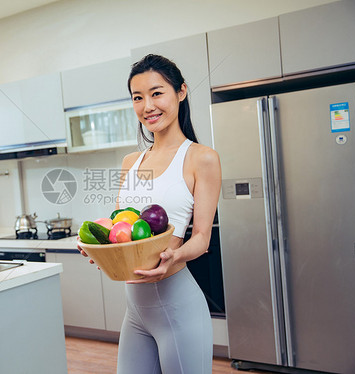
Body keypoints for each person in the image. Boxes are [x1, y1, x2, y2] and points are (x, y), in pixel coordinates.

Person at [79, 54, 221, 373]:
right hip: (135, 312)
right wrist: (101, 248)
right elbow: (122, 228)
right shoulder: (131, 162)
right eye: (138, 98)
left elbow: (201, 237)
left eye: (157, 93)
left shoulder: (202, 159)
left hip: (178, 307)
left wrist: (175, 256)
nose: (147, 106)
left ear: (180, 92)